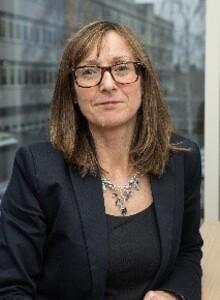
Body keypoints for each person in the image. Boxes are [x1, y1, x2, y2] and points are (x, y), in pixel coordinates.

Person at [0, 20, 203, 300]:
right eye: (88, 71)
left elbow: (188, 249)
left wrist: (174, 294)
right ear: (72, 91)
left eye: (121, 68)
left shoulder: (181, 159)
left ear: (144, 81)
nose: (107, 84)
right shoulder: (37, 169)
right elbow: (11, 288)